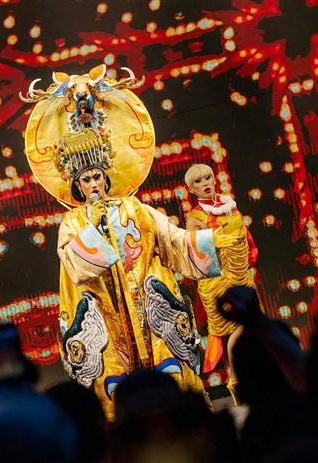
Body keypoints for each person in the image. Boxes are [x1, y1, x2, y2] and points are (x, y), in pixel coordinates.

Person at [22, 64, 232, 416]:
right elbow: (73, 264)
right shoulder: (72, 220)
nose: (94, 184)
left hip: (149, 306)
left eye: (97, 176)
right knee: (113, 381)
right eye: (86, 179)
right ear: (77, 184)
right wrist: (97, 234)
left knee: (170, 372)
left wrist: (215, 240)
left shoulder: (134, 206)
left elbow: (171, 238)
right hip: (105, 310)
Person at [184, 163, 258, 403]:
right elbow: (201, 256)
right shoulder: (195, 218)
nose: (205, 183)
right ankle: (236, 382)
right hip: (217, 279)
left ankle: (256, 376)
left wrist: (244, 259)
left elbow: (245, 238)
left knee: (253, 325)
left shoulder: (229, 206)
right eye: (198, 181)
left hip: (240, 273)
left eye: (208, 178)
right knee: (235, 328)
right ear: (191, 189)